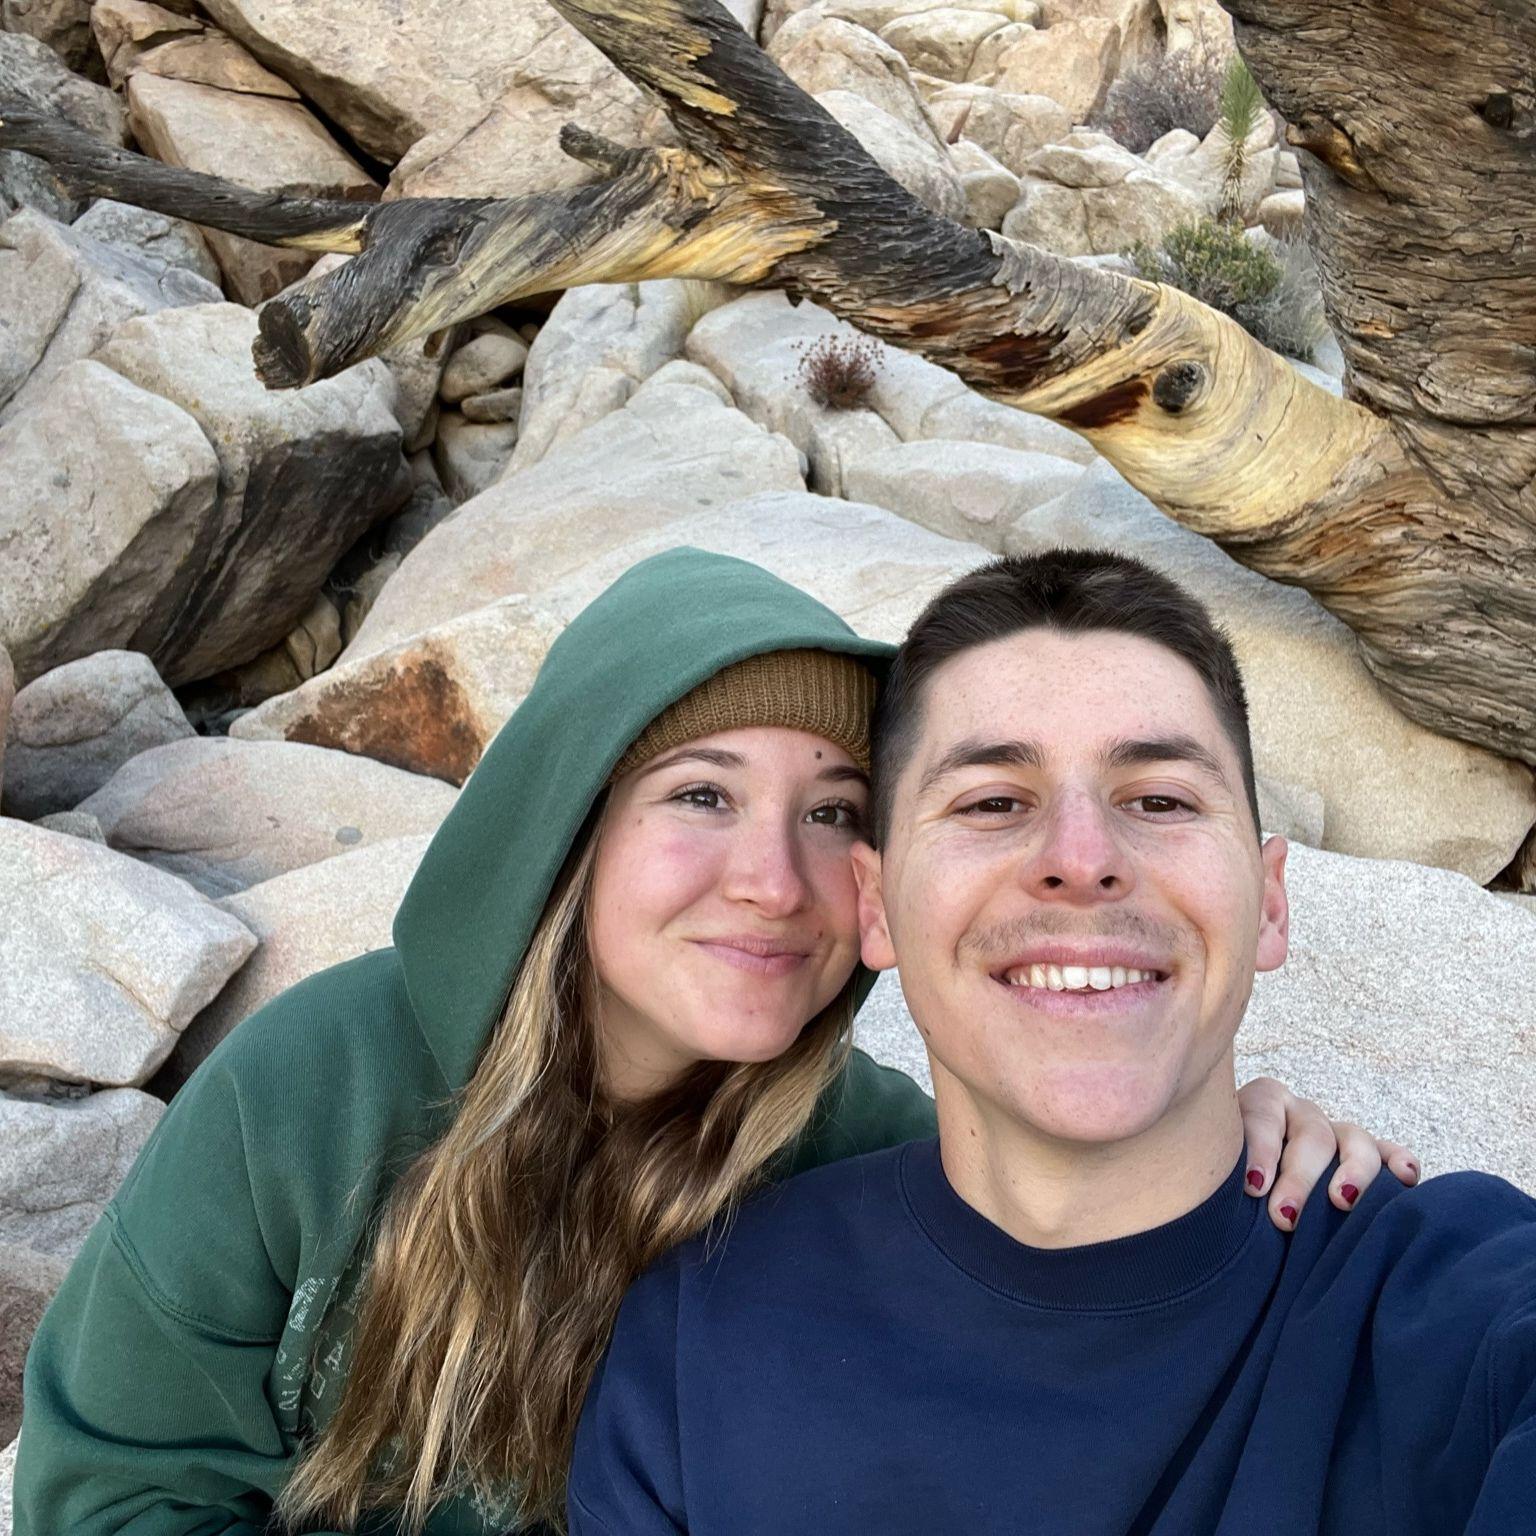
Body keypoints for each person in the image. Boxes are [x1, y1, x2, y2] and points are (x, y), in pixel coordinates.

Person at [14, 549, 1408, 1536]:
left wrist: (1233, 1137)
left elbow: (1079, 1239)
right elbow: (109, 1490)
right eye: (701, 795)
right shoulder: (315, 1090)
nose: (773, 882)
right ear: (571, 825)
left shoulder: (870, 1153)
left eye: (834, 812)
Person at [567, 549, 1536, 1536]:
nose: (1082, 860)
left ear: (1271, 902)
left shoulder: (1471, 1311)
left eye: (1159, 799)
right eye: (993, 802)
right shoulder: (693, 1347)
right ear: (876, 906)